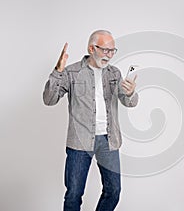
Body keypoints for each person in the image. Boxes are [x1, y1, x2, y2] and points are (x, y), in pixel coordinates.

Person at [43, 30, 138, 211]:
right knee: (73, 193)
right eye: (105, 50)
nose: (109, 55)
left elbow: (128, 102)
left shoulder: (114, 73)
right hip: (79, 142)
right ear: (92, 48)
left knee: (114, 190)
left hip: (109, 141)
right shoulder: (72, 72)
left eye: (112, 51)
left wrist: (130, 92)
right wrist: (58, 72)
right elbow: (49, 99)